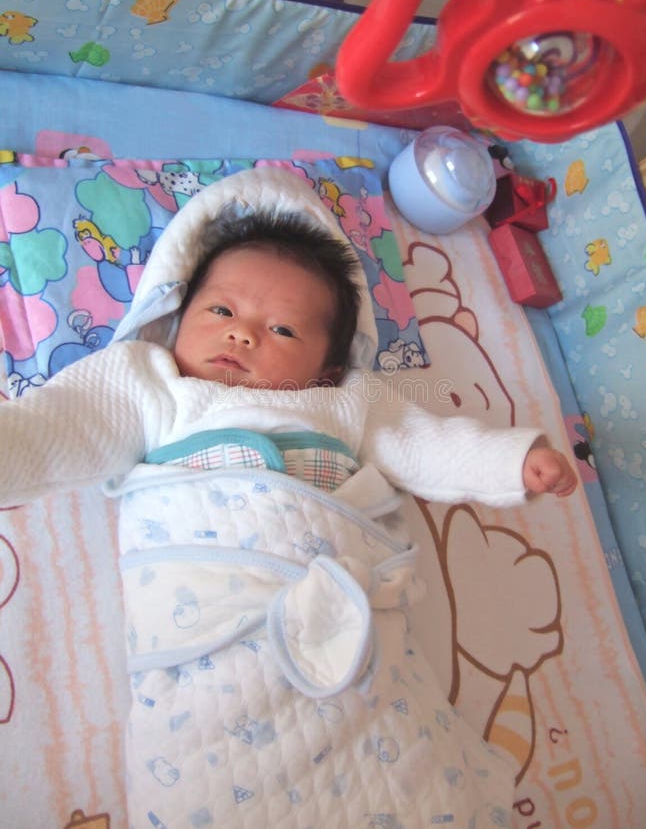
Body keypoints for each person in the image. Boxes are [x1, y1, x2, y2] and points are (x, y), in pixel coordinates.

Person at [0, 168, 576, 827]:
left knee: (409, 773)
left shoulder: (342, 401)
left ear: (326, 366)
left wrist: (512, 460)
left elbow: (423, 443)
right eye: (220, 311)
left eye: (281, 331)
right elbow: (58, 428)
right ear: (174, 313)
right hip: (208, 649)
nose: (242, 334)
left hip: (350, 636)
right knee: (203, 777)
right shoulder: (152, 384)